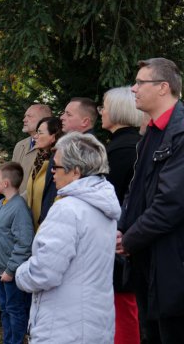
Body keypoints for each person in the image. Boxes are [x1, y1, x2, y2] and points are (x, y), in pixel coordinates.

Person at [16, 132, 120, 343]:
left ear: (75, 171)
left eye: (57, 167)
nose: (52, 173)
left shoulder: (67, 209)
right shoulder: (101, 206)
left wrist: (21, 273)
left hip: (63, 327)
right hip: (95, 323)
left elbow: (45, 272)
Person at [118, 58, 184, 343]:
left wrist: (129, 239)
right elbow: (136, 190)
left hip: (172, 265)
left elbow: (171, 203)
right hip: (147, 262)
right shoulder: (152, 133)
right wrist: (122, 229)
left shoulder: (180, 133)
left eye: (140, 82)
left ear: (163, 88)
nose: (133, 89)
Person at [100, 86, 143, 344]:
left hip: (118, 240)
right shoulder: (138, 144)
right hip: (129, 237)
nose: (101, 111)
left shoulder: (118, 152)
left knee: (123, 311)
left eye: (104, 106)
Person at [0, 162, 33, 344]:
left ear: (5, 183)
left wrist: (11, 269)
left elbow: (24, 244)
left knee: (15, 309)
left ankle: (16, 341)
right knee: (4, 308)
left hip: (10, 273)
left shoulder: (19, 208)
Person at [25, 117, 63, 230]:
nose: (35, 136)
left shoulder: (58, 166)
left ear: (53, 137)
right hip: (32, 230)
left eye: (40, 133)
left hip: (47, 230)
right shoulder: (38, 161)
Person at [11, 104, 52, 195]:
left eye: (29, 116)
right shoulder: (20, 145)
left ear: (43, 120)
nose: (24, 119)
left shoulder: (52, 147)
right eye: (25, 116)